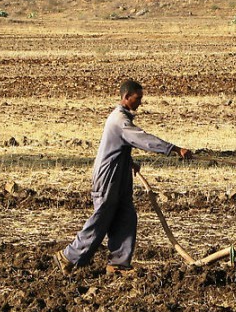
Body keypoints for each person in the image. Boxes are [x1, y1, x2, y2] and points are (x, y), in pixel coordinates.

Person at [54, 79, 192, 276]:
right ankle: (68, 257)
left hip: (120, 174)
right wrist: (174, 149)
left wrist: (129, 161)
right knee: (102, 218)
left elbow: (120, 146)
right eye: (137, 98)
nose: (140, 103)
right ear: (126, 97)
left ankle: (118, 264)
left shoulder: (122, 118)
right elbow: (142, 139)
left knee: (126, 216)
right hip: (108, 176)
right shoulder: (119, 120)